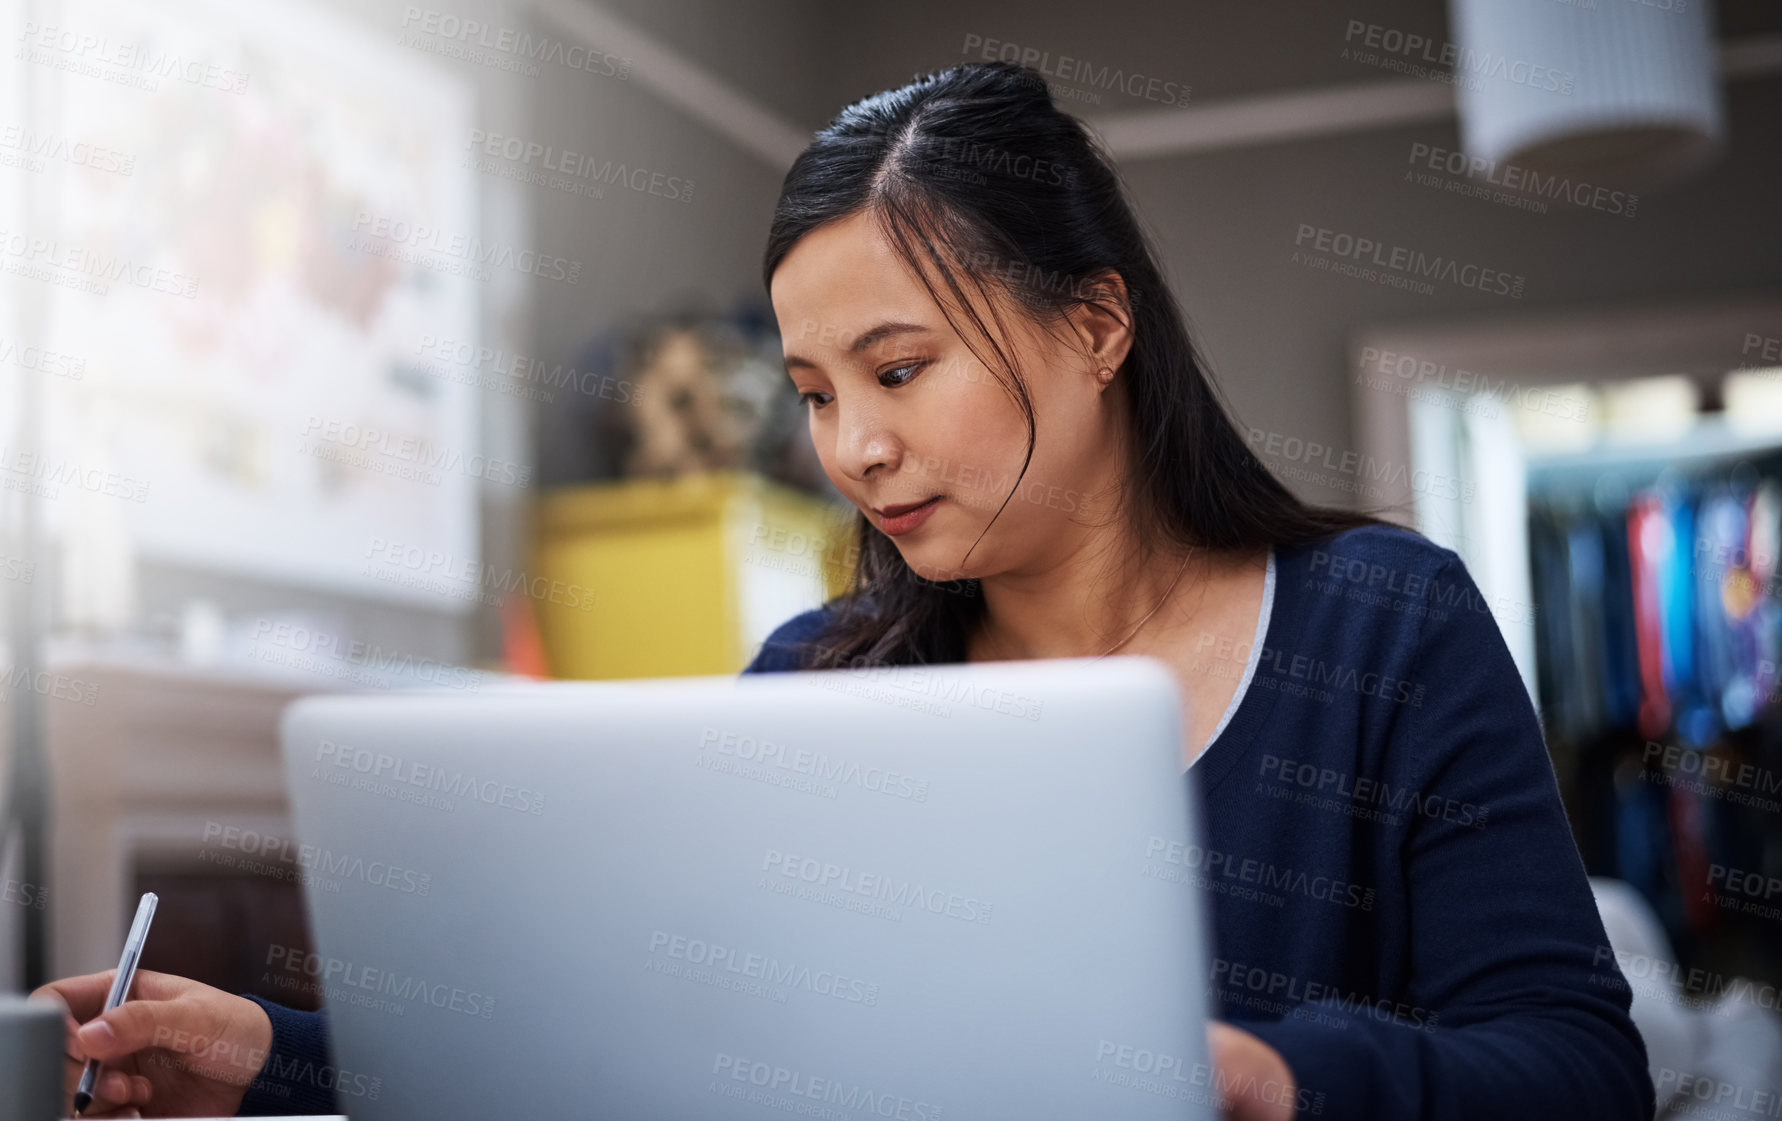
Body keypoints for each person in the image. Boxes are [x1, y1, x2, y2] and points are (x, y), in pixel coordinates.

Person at [32, 61, 1653, 1120]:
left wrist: (1271, 1080)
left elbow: (1577, 1069)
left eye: (898, 366)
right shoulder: (816, 680)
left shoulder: (1380, 622)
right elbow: (616, 1049)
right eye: (813, 393)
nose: (855, 447)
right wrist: (271, 1055)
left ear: (1095, 327)